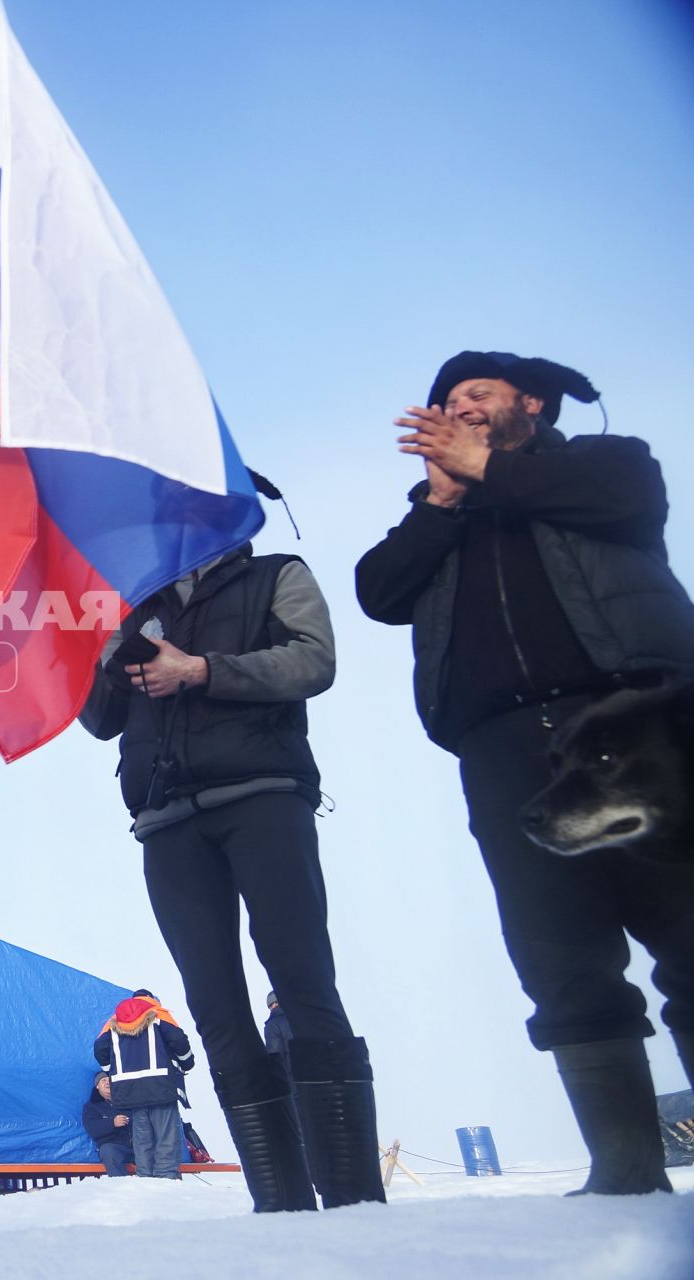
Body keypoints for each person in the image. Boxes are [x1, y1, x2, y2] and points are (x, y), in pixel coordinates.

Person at [357, 350, 694, 1196]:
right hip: (505, 749)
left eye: (478, 392)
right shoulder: (439, 514)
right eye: (446, 400)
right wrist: (442, 496)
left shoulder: (605, 466)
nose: (460, 405)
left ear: (530, 404)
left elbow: (628, 505)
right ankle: (625, 1166)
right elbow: (378, 590)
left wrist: (489, 471)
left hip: (633, 721)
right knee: (559, 956)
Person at [80, 530, 385, 1211]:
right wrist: (99, 647)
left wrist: (200, 670)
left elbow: (314, 662)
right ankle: (278, 1200)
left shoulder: (277, 575)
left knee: (300, 977)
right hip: (165, 819)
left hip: (262, 796)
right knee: (214, 1004)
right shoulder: (135, 608)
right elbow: (100, 720)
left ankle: (353, 1196)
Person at [92, 991, 194, 1179]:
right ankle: (166, 1176)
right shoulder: (157, 1013)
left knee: (142, 1135)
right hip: (160, 1084)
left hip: (130, 1090)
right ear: (151, 999)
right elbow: (179, 1040)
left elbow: (100, 1048)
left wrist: (111, 1071)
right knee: (165, 1134)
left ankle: (145, 1176)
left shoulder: (114, 1019)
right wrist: (187, 1063)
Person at [81, 1073, 133, 1177]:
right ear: (97, 1086)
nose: (107, 1082)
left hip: (138, 1145)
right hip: (114, 1146)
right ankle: (122, 1188)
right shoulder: (91, 1106)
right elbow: (92, 1128)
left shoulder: (129, 1101)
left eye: (110, 1079)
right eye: (103, 1080)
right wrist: (112, 1123)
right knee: (108, 1152)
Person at [262, 991, 293, 1085]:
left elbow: (275, 1055)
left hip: (291, 1078)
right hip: (312, 1074)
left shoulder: (272, 1025)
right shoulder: (297, 1017)